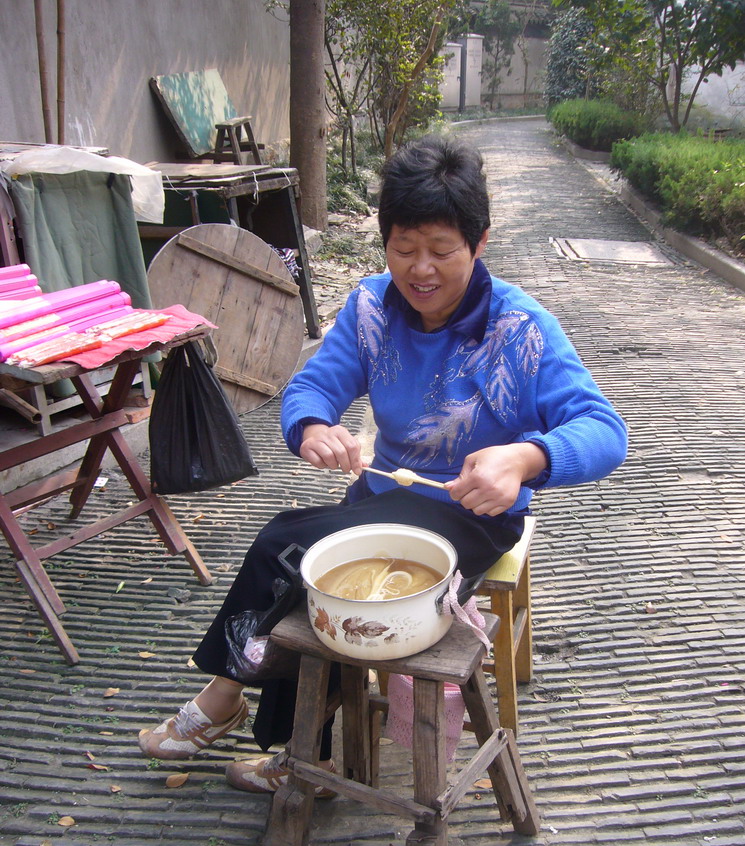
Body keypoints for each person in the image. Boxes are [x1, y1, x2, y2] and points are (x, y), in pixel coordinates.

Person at [138, 134, 628, 794]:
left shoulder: (522, 328)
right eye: (404, 249)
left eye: (441, 250)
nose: (420, 269)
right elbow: (315, 384)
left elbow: (605, 430)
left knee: (292, 555)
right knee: (304, 569)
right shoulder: (371, 307)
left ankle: (259, 727)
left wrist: (525, 455)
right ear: (385, 242)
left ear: (479, 245)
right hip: (381, 496)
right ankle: (294, 747)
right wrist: (312, 425)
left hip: (473, 515)